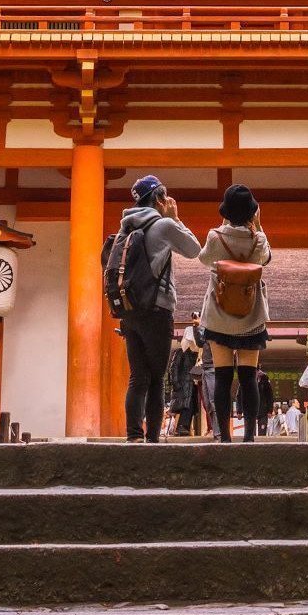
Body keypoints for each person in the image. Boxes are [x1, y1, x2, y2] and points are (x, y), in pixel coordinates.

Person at [111, 175, 201, 441]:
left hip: (129, 310)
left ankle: (133, 435)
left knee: (137, 377)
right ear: (160, 199)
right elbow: (194, 249)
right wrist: (175, 218)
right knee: (157, 378)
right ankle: (152, 440)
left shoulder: (124, 229)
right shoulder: (162, 226)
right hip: (157, 310)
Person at [196, 183, 272, 442]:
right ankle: (250, 436)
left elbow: (204, 259)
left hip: (219, 318)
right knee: (249, 378)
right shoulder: (258, 239)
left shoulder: (215, 236)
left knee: (222, 376)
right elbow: (266, 259)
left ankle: (225, 437)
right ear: (252, 211)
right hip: (251, 318)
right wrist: (258, 226)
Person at [166, 322, 204, 437]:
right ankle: (182, 427)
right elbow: (173, 368)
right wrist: (176, 384)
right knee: (185, 407)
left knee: (190, 407)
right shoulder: (180, 352)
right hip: (183, 386)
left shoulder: (197, 355)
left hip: (192, 387)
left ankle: (184, 427)